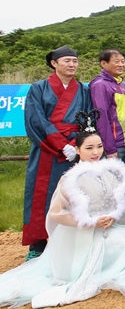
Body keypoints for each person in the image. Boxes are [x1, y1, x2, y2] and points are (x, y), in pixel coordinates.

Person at [0, 110, 125, 307]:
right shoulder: (69, 179)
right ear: (78, 150)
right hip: (79, 234)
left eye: (99, 146)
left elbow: (116, 203)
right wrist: (88, 221)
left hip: (105, 230)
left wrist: (112, 217)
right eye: (89, 148)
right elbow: (55, 213)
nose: (96, 152)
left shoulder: (109, 172)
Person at [22, 45, 92, 260]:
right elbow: (36, 120)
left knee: (75, 194)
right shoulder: (39, 88)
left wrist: (76, 144)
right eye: (67, 61)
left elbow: (87, 118)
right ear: (54, 63)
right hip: (47, 149)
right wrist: (62, 145)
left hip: (75, 149)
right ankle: (37, 245)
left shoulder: (82, 89)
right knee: (41, 194)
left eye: (75, 61)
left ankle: (73, 242)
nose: (72, 65)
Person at [89, 48, 125, 165]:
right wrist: (109, 148)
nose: (121, 65)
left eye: (123, 61)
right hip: (114, 145)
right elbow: (101, 117)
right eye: (116, 62)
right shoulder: (100, 85)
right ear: (104, 63)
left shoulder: (122, 85)